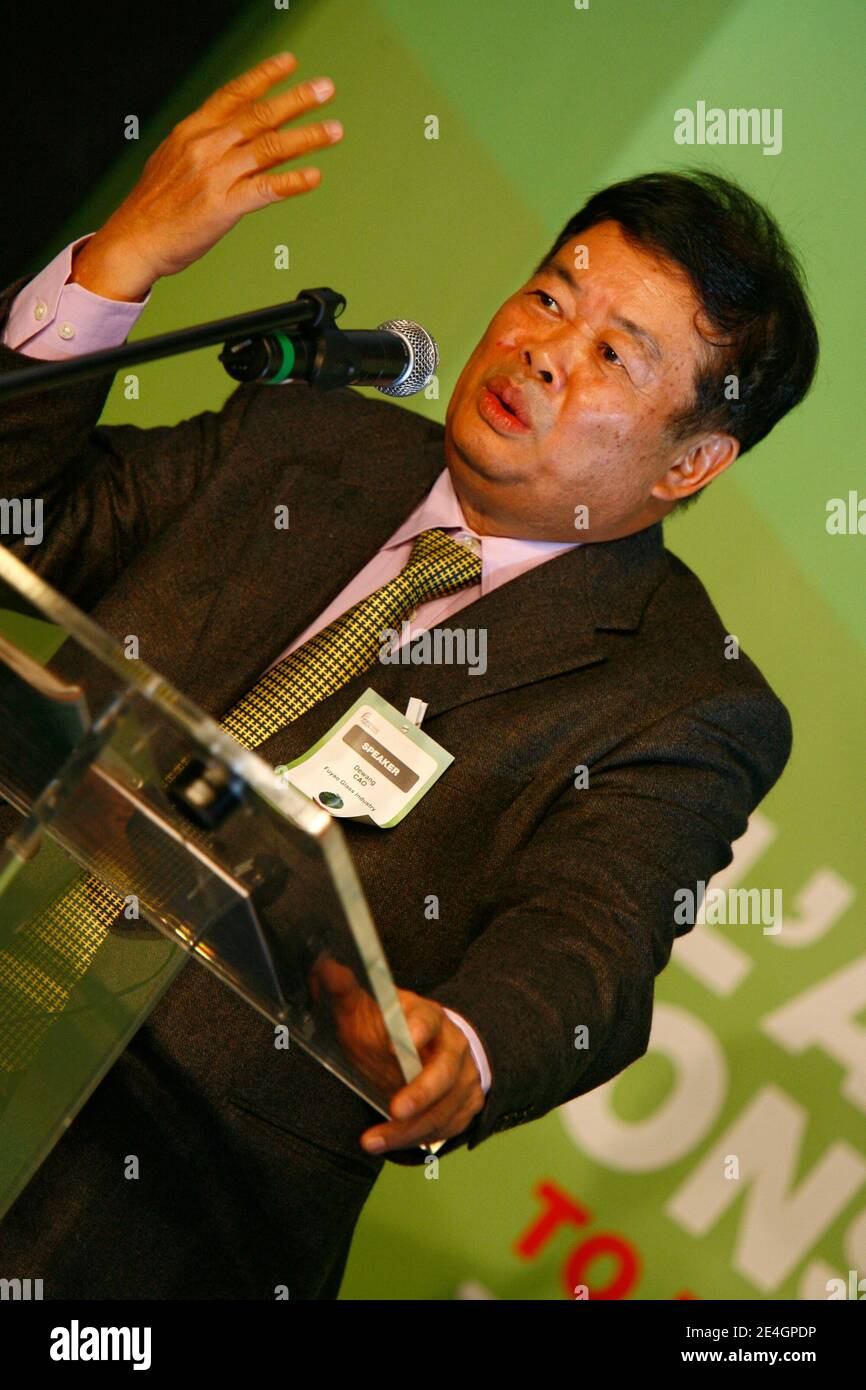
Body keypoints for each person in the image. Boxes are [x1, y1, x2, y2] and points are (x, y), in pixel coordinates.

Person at [0, 51, 818, 1299]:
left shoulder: (679, 696)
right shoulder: (301, 434)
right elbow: (26, 525)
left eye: (615, 354)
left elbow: (588, 944)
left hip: (137, 1202)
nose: (547, 349)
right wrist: (122, 264)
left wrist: (471, 1048)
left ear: (687, 464)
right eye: (551, 298)